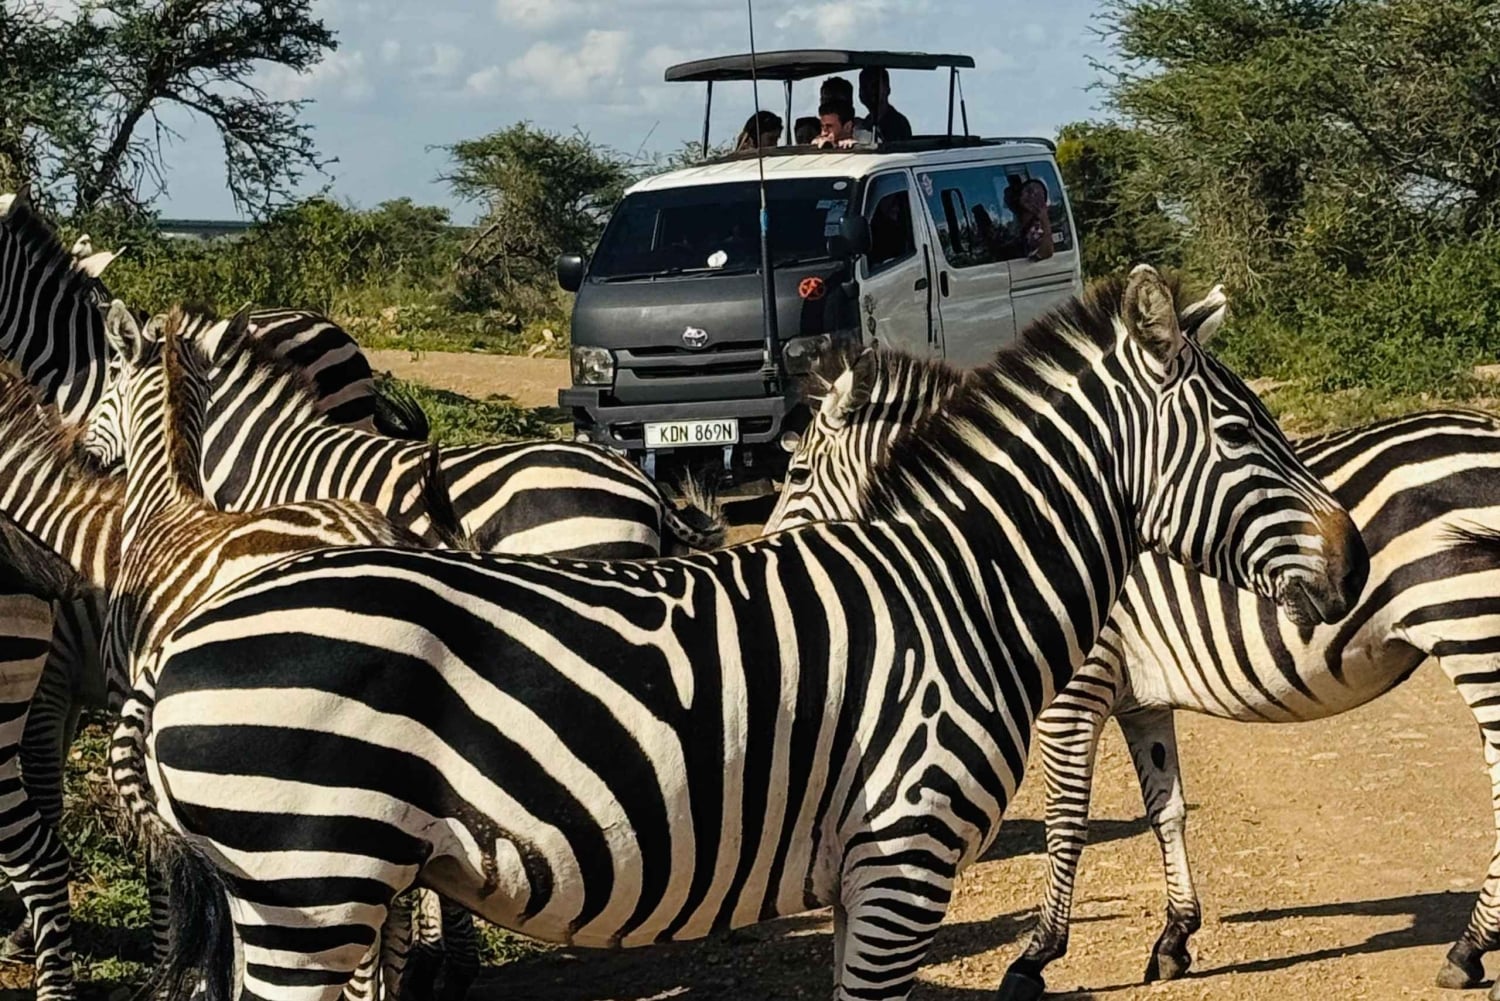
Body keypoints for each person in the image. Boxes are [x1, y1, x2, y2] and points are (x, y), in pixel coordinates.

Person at [858, 66, 913, 142]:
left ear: (887, 89)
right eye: (864, 86)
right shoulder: (866, 123)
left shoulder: (897, 123)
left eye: (874, 86)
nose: (869, 91)